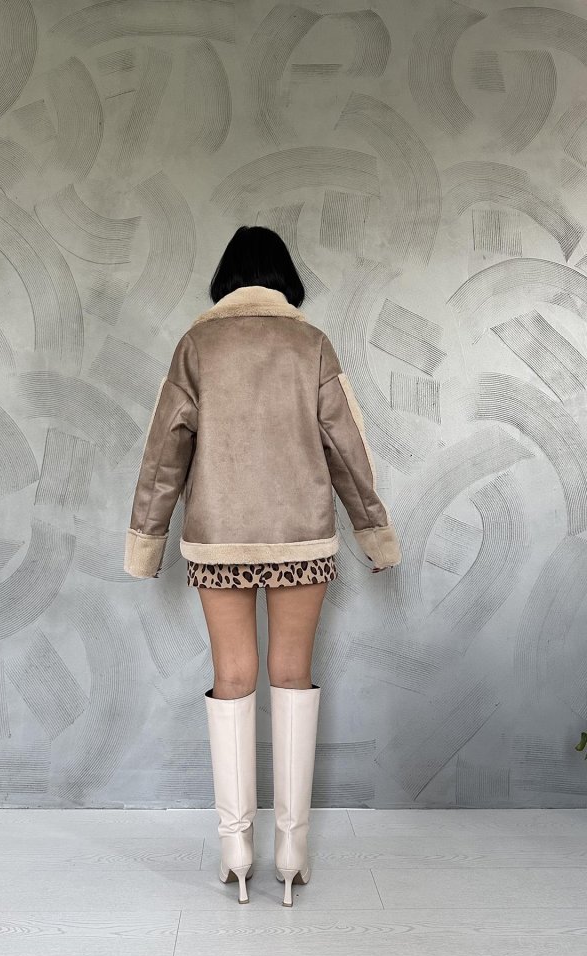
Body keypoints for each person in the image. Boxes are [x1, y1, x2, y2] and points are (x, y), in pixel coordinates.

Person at [124, 225, 402, 906]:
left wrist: (147, 540)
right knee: (292, 674)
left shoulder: (197, 346)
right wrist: (373, 533)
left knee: (233, 676)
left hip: (219, 537)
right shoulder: (311, 345)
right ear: (284, 279)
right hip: (300, 537)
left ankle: (235, 849)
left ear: (226, 280)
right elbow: (348, 450)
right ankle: (293, 850)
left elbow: (164, 455)